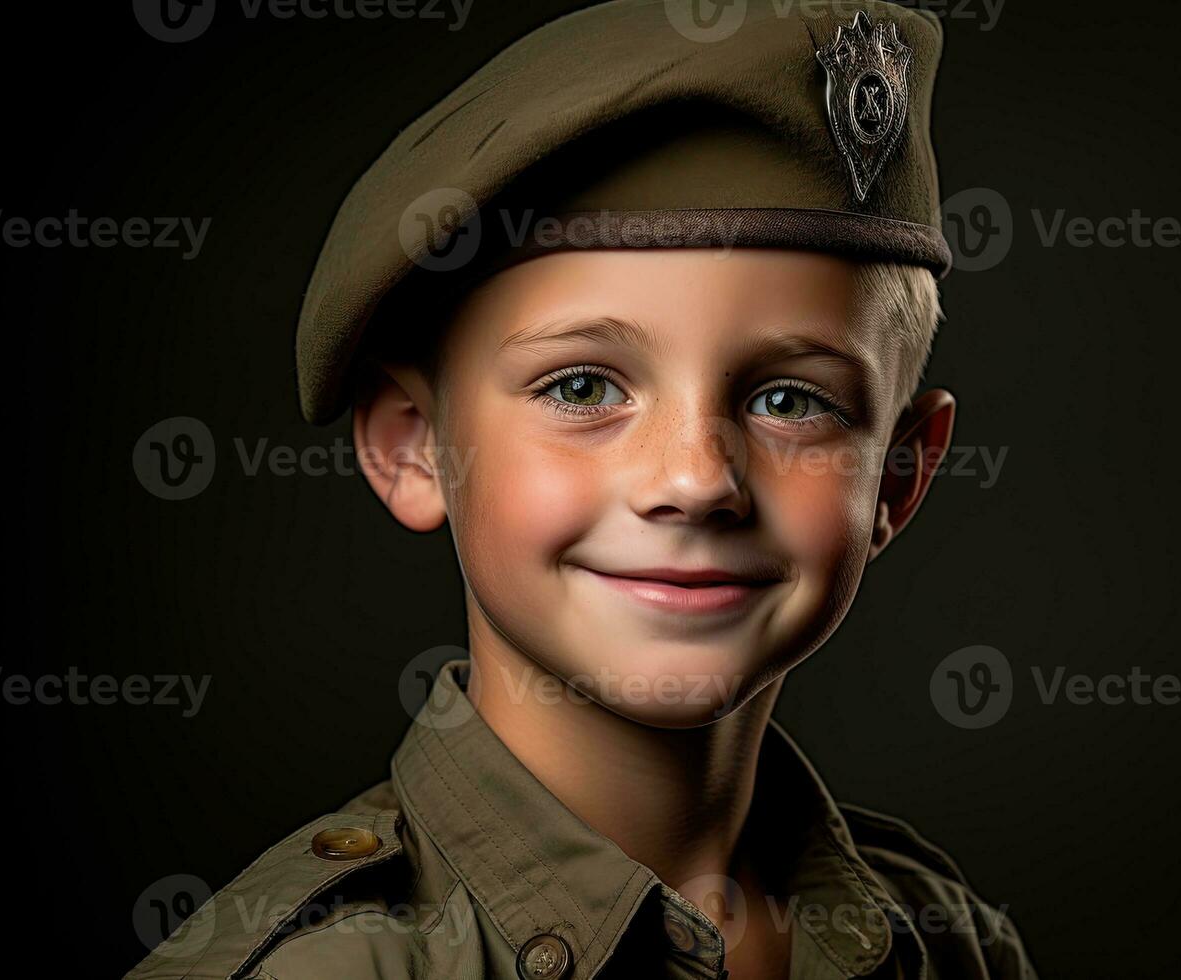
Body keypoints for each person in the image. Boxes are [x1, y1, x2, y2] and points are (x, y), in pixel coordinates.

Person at [127, 1, 1038, 976]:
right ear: (412, 445)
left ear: (899, 472)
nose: (694, 479)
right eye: (582, 386)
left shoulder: (950, 943)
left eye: (790, 398)